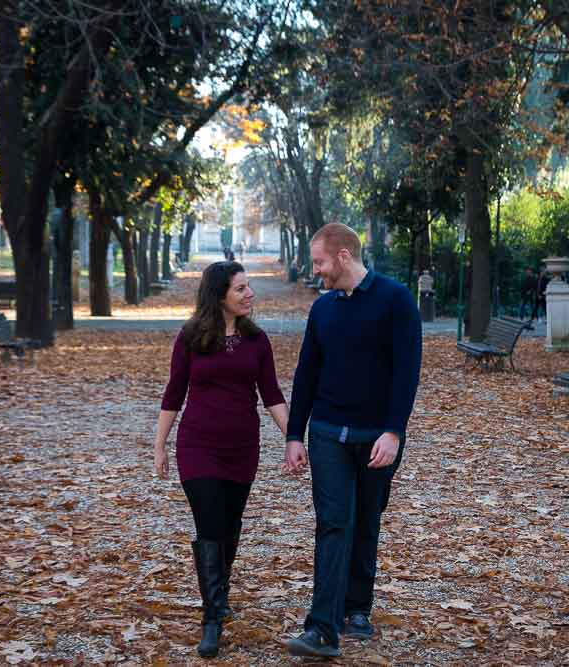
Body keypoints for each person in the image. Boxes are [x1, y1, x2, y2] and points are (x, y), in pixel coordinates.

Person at [283, 223, 422, 658]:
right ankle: (322, 628)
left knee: (366, 519)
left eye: (320, 261)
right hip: (327, 433)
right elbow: (306, 375)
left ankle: (358, 607)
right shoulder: (322, 310)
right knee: (334, 522)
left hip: (376, 436)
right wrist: (294, 434)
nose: (316, 270)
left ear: (344, 256)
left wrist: (394, 431)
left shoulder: (396, 300)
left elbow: (407, 372)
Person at [153, 261, 289, 658]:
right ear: (219, 295)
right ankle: (211, 619)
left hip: (242, 448)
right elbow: (174, 393)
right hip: (198, 446)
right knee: (210, 524)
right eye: (241, 289)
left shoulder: (257, 340)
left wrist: (296, 439)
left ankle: (221, 592)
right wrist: (160, 445)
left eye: (249, 288)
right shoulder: (191, 337)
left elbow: (273, 395)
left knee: (230, 524)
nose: (250, 294)